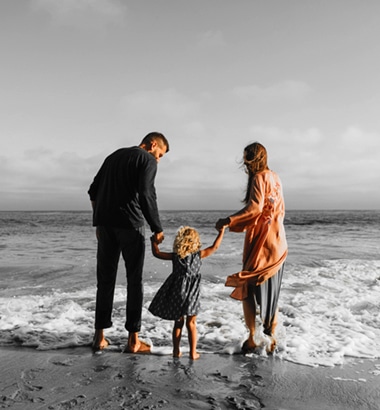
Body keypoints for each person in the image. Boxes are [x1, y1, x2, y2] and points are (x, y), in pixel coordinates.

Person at [88, 132, 169, 353]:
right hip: (130, 225)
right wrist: (157, 227)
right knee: (134, 280)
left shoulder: (113, 156)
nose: (158, 160)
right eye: (160, 154)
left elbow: (92, 191)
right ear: (152, 145)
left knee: (105, 281)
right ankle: (133, 340)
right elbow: (146, 193)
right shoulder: (147, 159)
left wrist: (98, 221)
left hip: (105, 225)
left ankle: (99, 338)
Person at [215, 142, 287, 353]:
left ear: (250, 161)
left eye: (246, 161)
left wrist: (229, 220)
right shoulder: (276, 177)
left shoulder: (258, 177)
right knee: (271, 290)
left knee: (247, 286)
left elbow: (255, 208)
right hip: (279, 240)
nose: (245, 167)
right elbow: (279, 210)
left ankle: (253, 337)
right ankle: (272, 337)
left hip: (261, 241)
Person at [148, 225, 225, 360]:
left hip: (177, 293)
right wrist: (221, 232)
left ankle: (176, 351)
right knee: (191, 323)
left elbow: (157, 254)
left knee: (178, 323)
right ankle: (192, 352)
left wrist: (153, 242)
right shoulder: (198, 255)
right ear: (195, 241)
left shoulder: (175, 256)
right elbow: (215, 247)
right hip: (192, 294)